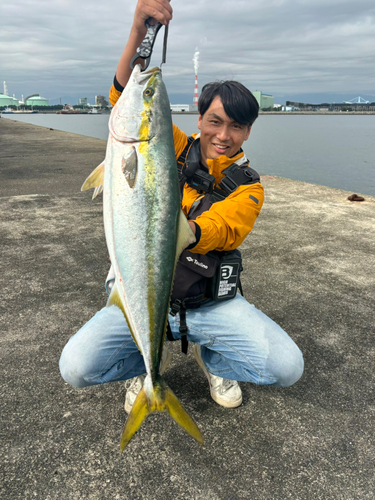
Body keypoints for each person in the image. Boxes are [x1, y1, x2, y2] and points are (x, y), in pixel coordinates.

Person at [59, 0, 304, 412]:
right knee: (76, 367)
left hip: (208, 303)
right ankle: (146, 359)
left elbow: (225, 228)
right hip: (140, 291)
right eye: (214, 120)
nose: (223, 134)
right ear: (200, 118)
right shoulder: (168, 146)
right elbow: (125, 94)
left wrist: (179, 232)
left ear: (247, 131)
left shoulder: (249, 187)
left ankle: (215, 360)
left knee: (287, 366)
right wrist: (139, 29)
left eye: (236, 126)